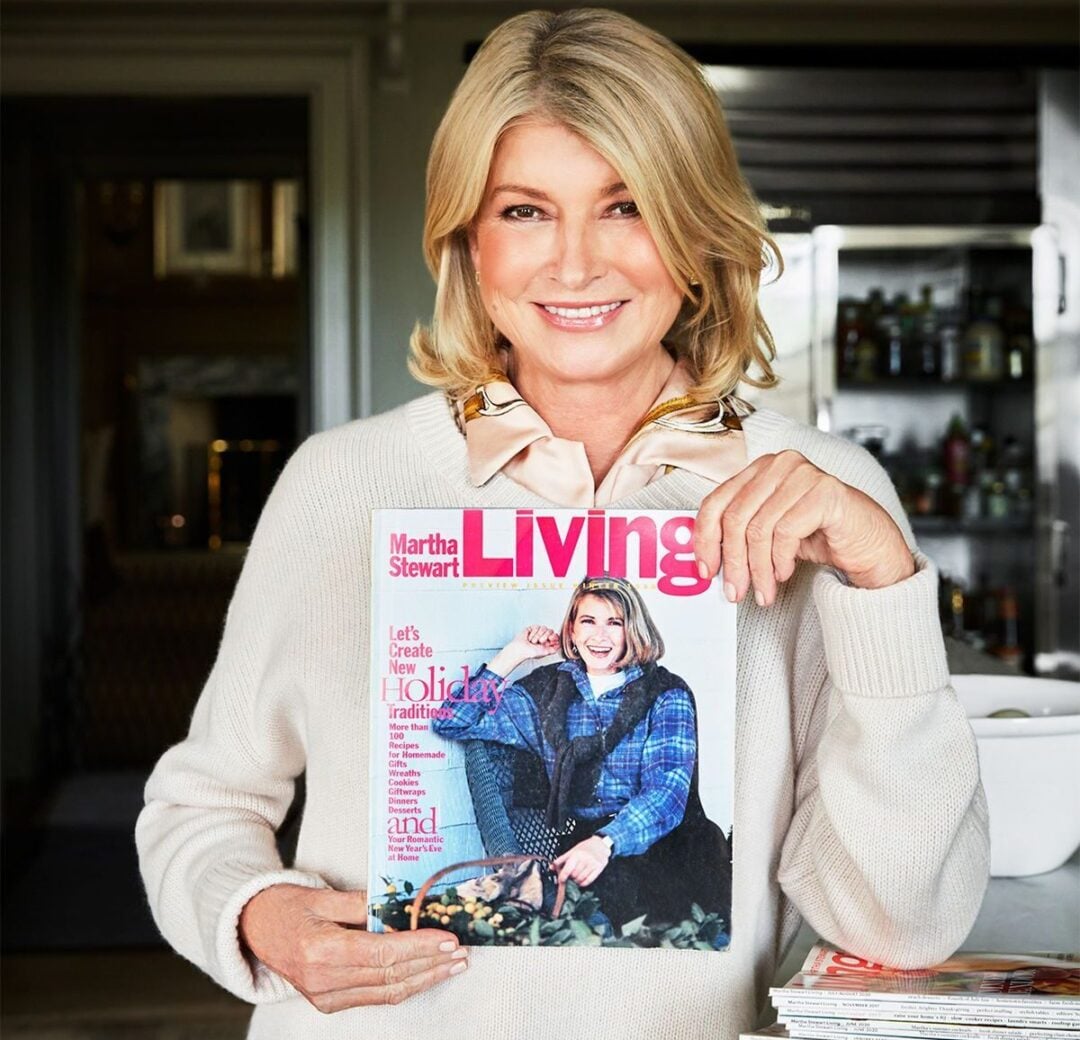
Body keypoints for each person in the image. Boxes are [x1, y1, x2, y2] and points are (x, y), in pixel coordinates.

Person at [135, 9, 989, 1040]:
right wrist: (256, 915)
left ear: (697, 231)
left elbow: (906, 923)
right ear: (469, 238)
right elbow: (200, 803)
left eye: (626, 206)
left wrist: (885, 580)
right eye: (527, 210)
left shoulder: (825, 501)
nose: (575, 265)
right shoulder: (341, 483)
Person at [432, 575, 732, 933]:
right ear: (571, 630)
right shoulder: (545, 693)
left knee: (668, 936)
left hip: (671, 849)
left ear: (633, 630)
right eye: (588, 621)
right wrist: (514, 653)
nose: (599, 636)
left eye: (614, 623)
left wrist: (605, 843)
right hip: (586, 848)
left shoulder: (665, 693)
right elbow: (452, 721)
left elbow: (666, 793)